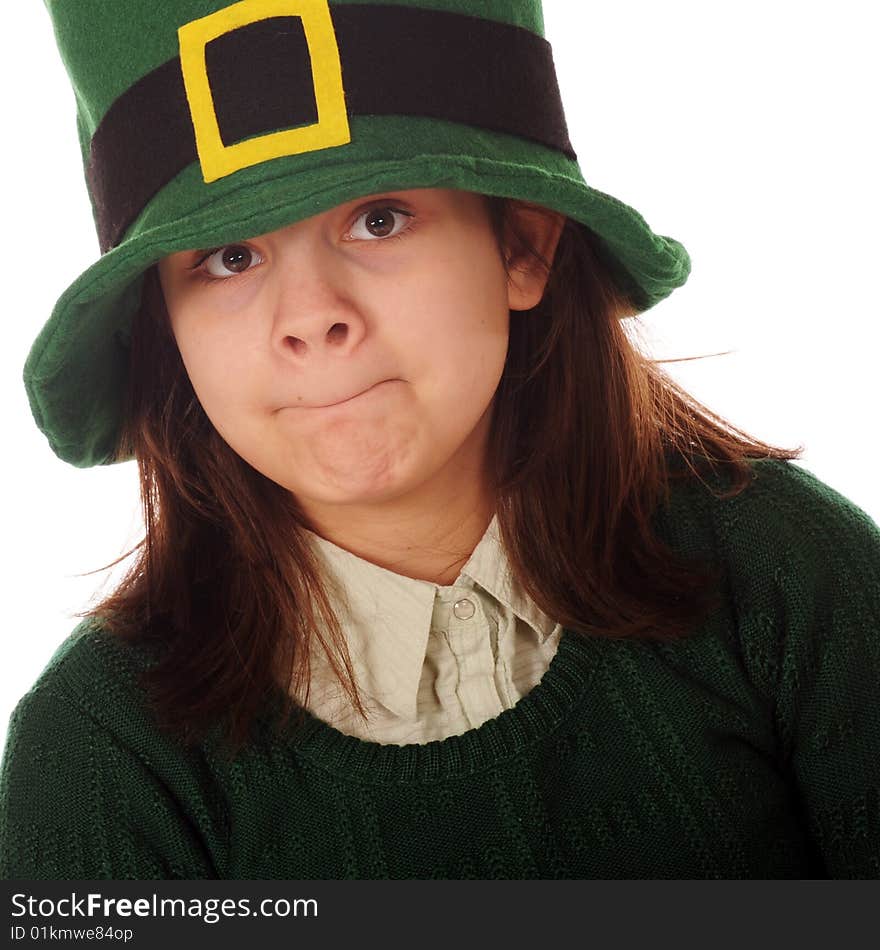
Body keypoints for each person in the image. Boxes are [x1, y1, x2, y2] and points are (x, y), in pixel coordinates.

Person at [1, 0, 878, 880]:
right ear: (167, 330)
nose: (312, 319)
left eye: (378, 219)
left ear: (523, 247)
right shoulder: (100, 757)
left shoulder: (791, 576)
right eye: (229, 257)